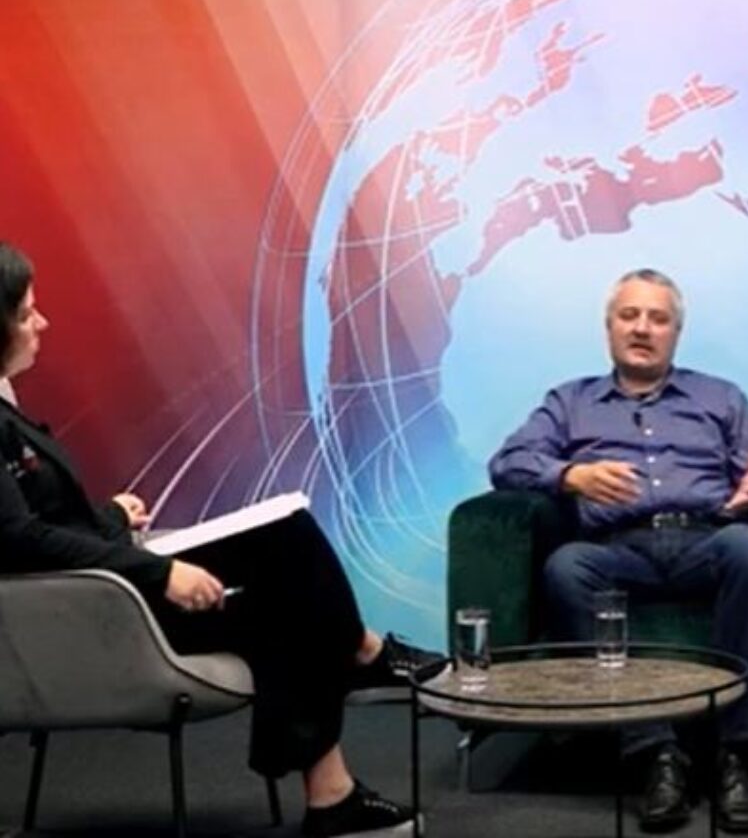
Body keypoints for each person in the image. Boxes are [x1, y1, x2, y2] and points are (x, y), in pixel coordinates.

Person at [0, 241, 433, 838]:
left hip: (103, 585)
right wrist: (161, 572)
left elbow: (48, 522)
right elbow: (19, 541)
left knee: (287, 536)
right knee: (290, 601)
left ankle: (338, 773)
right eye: (27, 313)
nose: (42, 323)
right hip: (93, 614)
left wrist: (112, 517)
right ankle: (358, 666)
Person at [489, 268, 748, 835]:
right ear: (609, 328)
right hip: (617, 549)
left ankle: (739, 756)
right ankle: (657, 756)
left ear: (676, 332)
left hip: (707, 540)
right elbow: (507, 464)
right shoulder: (570, 401)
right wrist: (570, 475)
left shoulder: (722, 397)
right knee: (566, 565)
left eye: (658, 318)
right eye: (629, 316)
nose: (642, 328)